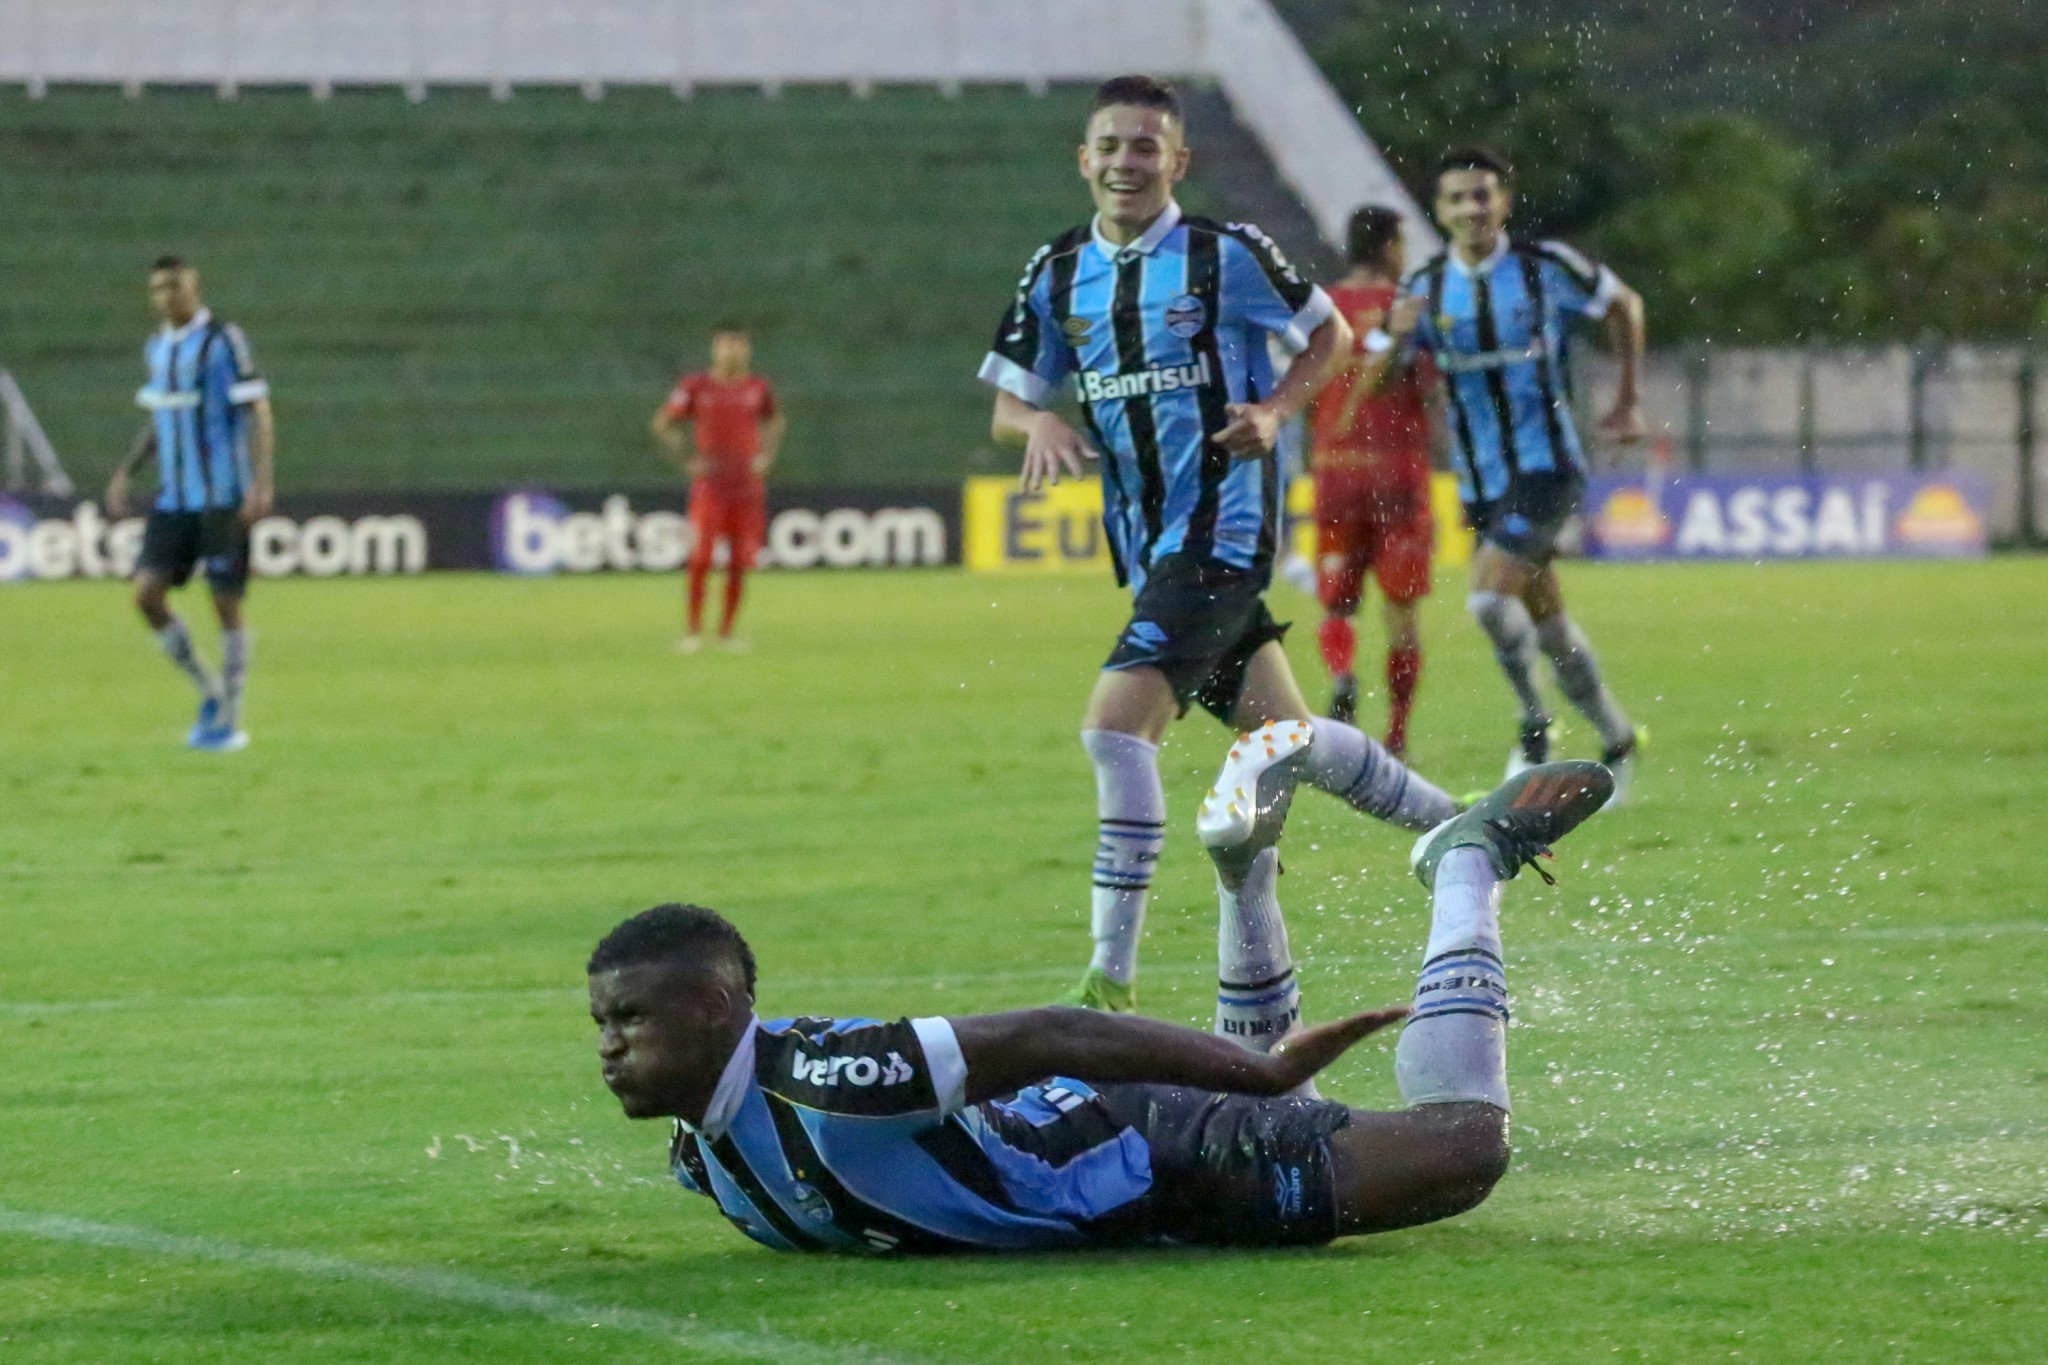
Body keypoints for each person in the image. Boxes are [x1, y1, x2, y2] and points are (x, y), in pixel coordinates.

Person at [588, 736, 1615, 1253]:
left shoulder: (833, 1080)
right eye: (604, 1022)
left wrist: (1252, 1068)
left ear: (714, 1011)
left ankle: (1465, 861)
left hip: (1144, 1154)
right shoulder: (703, 1152)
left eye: (629, 1020)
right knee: (1287, 1114)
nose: (608, 1046)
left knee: (1462, 1149)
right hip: (1127, 1181)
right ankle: (1243, 873)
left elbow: (1052, 1031)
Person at [977, 74, 1462, 1013]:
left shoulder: (1222, 254)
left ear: (1178, 162)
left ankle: (1107, 979)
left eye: (1145, 146)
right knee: (1284, 742)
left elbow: (1327, 334)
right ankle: (1458, 825)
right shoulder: (1057, 269)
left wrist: (1279, 412)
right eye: (1110, 146)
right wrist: (1032, 425)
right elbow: (1008, 398)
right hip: (1153, 546)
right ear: (1084, 160)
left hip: (1224, 531)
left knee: (1116, 732)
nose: (1126, 162)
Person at [106, 255, 274, 752]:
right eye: (158, 289)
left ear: (193, 287)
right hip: (174, 499)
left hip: (223, 495)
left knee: (225, 601)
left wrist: (260, 484)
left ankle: (232, 718)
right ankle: (210, 690)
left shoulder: (224, 340)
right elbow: (161, 419)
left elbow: (259, 410)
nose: (166, 296)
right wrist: (126, 471)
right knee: (146, 596)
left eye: (174, 287)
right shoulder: (157, 347)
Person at [1308, 205, 1441, 756]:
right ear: (1390, 245)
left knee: (1338, 603)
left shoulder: (1319, 307)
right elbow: (1431, 391)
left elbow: (1300, 384)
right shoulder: (1408, 309)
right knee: (1400, 610)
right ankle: (1397, 735)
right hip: (1397, 475)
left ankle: (1341, 676)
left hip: (1336, 470)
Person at [650, 326, 784, 653]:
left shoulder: (758, 388)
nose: (731, 351)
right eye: (725, 344)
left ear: (747, 350)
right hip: (711, 487)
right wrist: (687, 459)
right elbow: (663, 423)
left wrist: (766, 455)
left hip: (747, 489)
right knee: (700, 557)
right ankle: (694, 631)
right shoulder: (696, 387)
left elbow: (775, 421)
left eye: (738, 344)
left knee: (740, 560)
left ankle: (726, 633)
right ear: (715, 348)